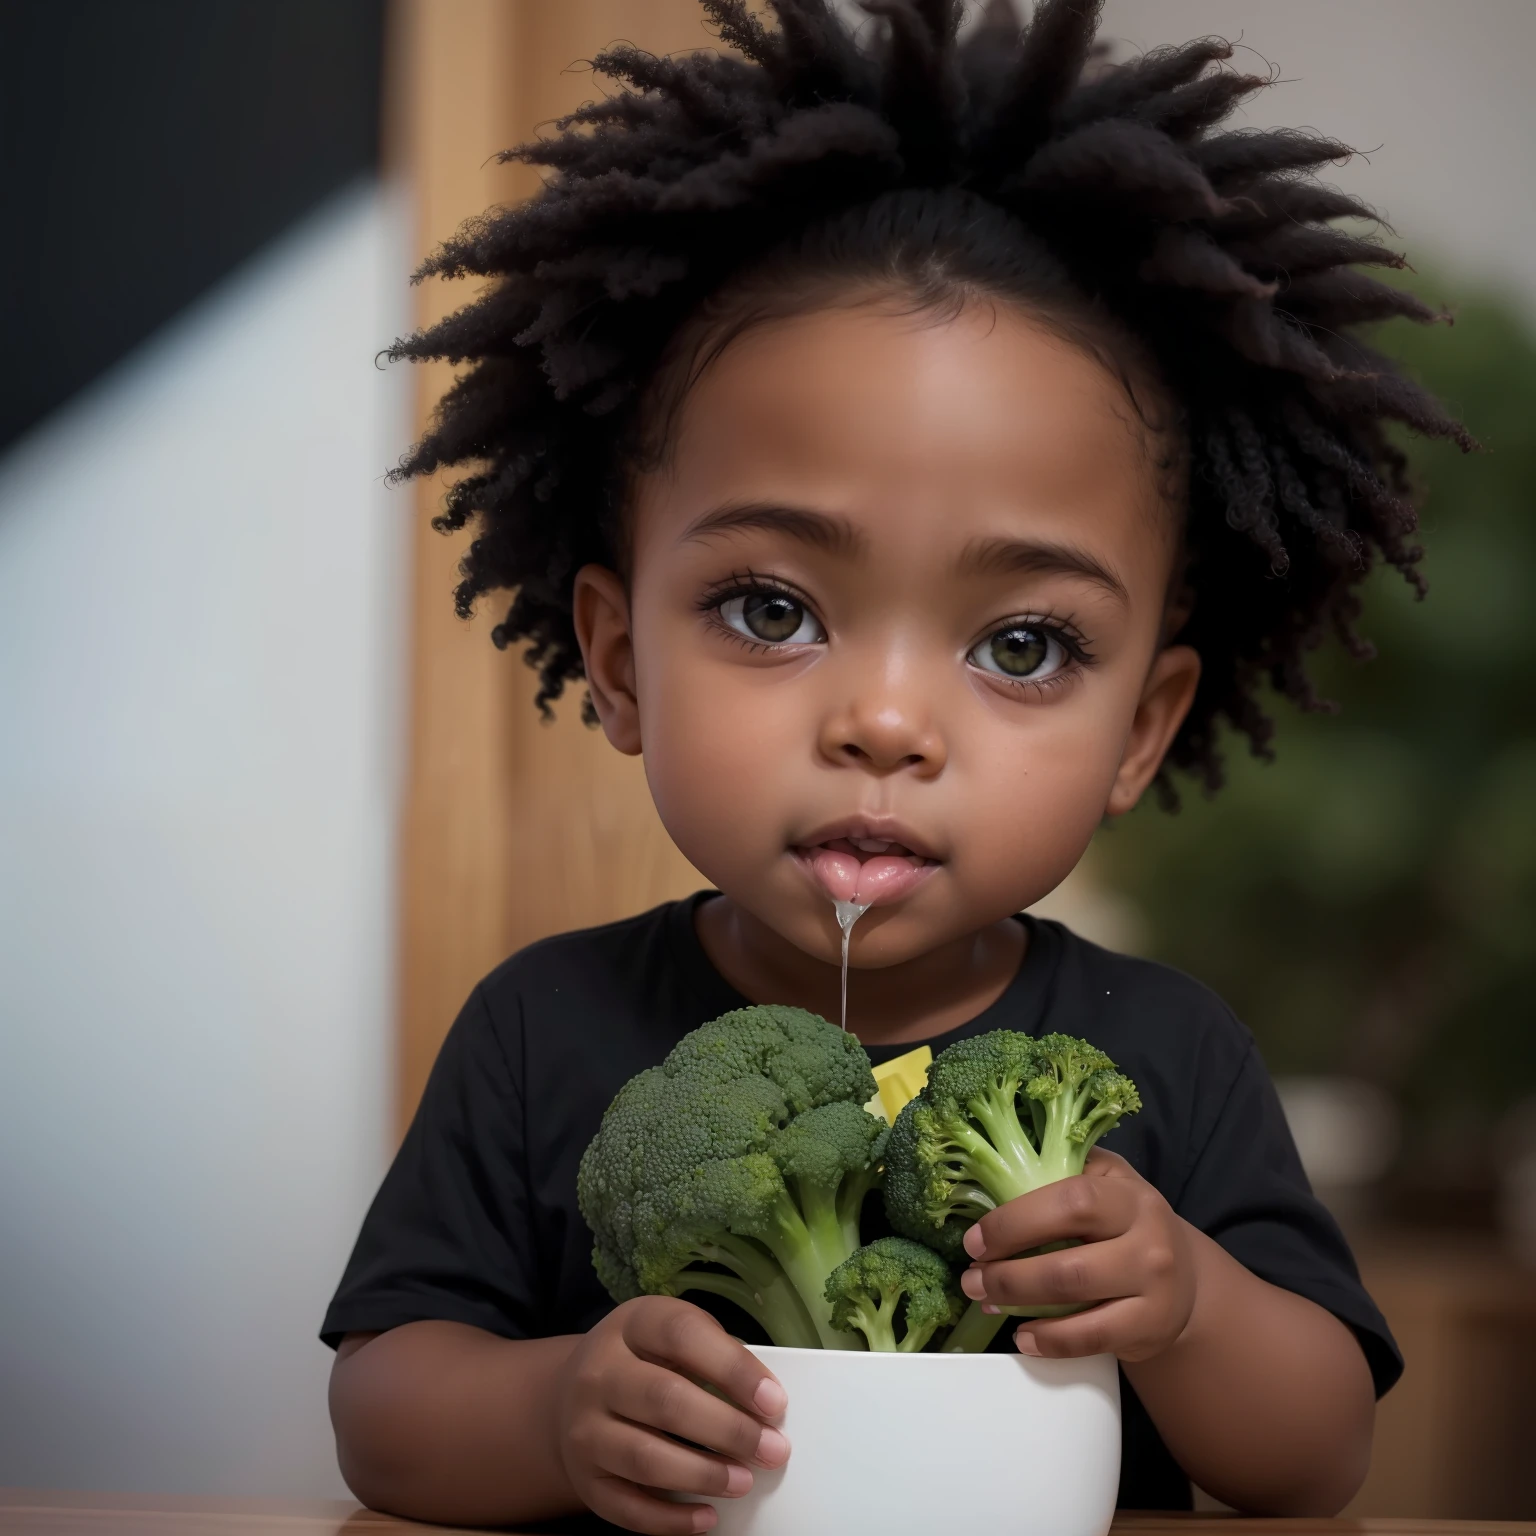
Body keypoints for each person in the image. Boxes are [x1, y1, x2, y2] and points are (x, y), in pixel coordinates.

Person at [323, 2, 1469, 1530]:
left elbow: (1315, 1456)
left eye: (1021, 646)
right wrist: (550, 1410)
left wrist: (1190, 1304)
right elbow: (383, 1413)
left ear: (1141, 727)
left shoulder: (1171, 1054)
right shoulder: (543, 1030)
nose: (885, 723)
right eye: (771, 609)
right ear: (617, 660)